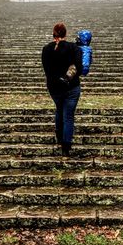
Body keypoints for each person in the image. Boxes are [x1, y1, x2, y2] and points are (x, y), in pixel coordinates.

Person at [42, 22, 83, 157]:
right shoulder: (74, 48)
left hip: (54, 88)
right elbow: (80, 69)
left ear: (53, 34)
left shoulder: (46, 49)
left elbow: (47, 70)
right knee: (68, 116)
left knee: (60, 109)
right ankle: (66, 146)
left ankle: (60, 138)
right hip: (72, 87)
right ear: (66, 33)